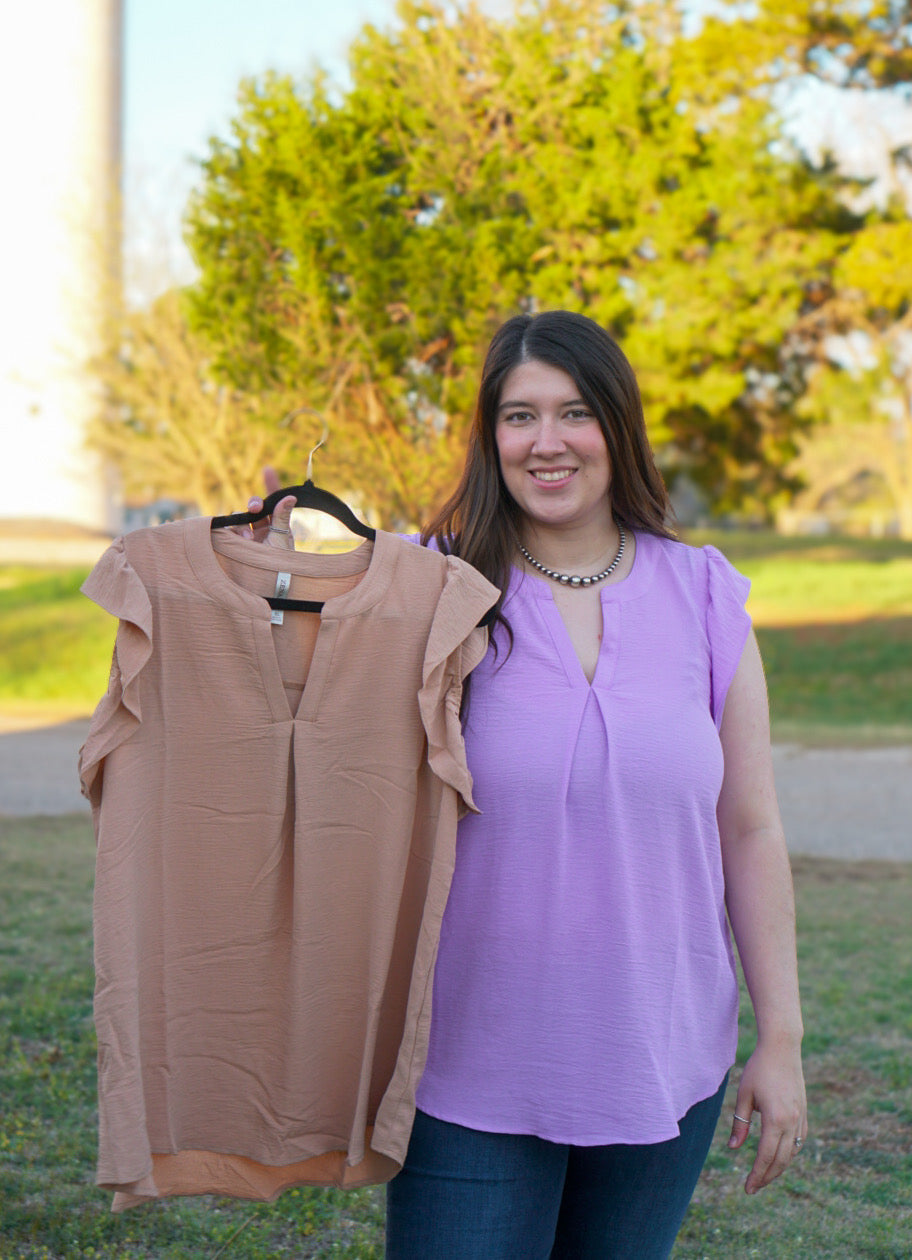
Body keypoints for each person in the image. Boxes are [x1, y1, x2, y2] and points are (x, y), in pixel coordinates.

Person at [247, 310, 806, 1259]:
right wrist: (277, 594)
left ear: (616, 429)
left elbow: (748, 829)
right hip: (471, 1066)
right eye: (518, 416)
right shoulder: (427, 587)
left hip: (663, 1064)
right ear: (490, 436)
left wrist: (782, 1043)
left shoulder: (706, 592)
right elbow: (297, 735)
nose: (546, 443)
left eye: (574, 412)